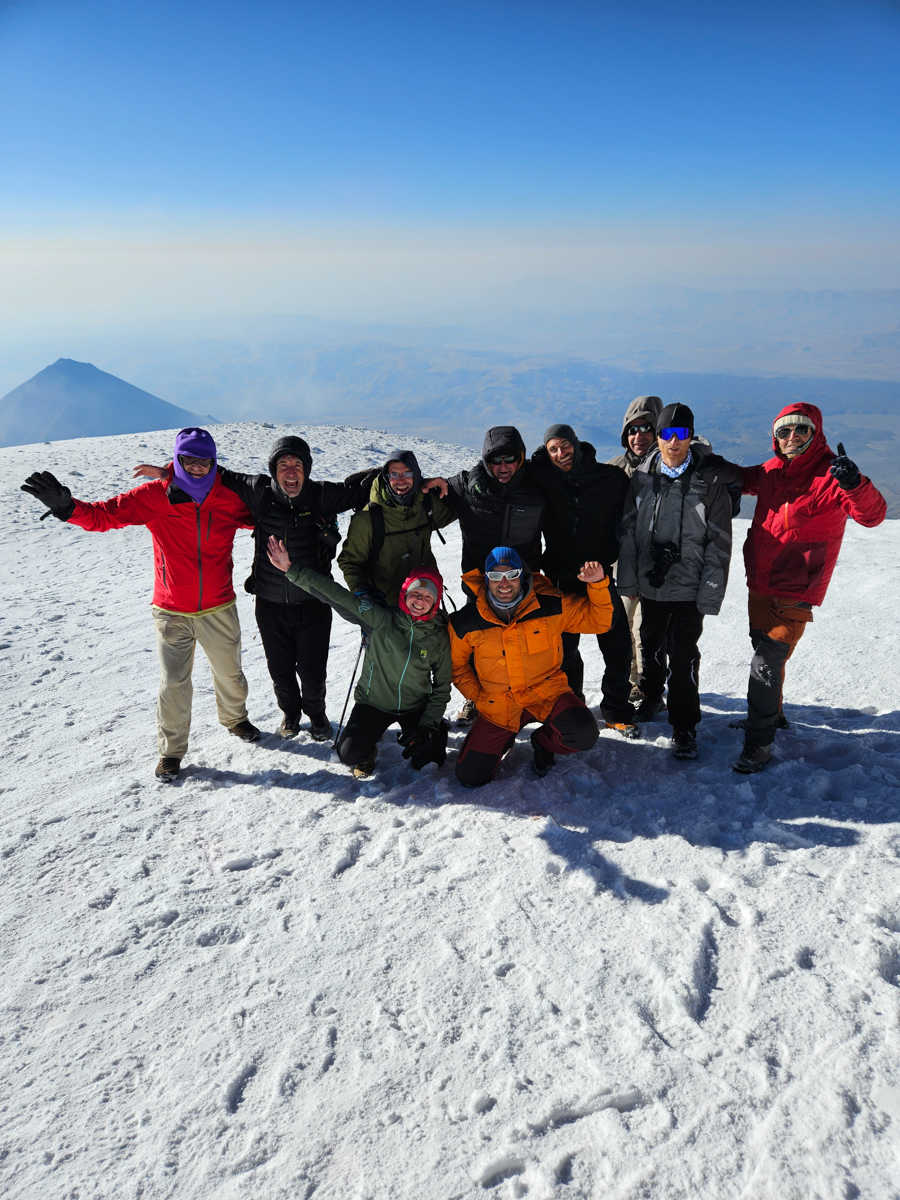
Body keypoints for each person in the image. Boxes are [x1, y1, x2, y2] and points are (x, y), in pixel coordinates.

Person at [22, 428, 259, 782]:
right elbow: (105, 516)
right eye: (188, 460)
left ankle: (235, 719)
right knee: (174, 684)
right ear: (177, 459)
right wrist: (68, 508)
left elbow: (268, 512)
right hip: (171, 609)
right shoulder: (153, 496)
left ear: (214, 462)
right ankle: (171, 752)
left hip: (218, 605)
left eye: (204, 461)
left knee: (229, 674)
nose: (196, 467)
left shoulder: (230, 497)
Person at [133, 435, 372, 742]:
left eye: (297, 464)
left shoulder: (323, 495)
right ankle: (290, 715)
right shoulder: (259, 491)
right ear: (273, 469)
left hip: (313, 601)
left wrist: (408, 474)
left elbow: (363, 489)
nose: (290, 471)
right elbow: (211, 472)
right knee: (280, 670)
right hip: (270, 603)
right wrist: (171, 472)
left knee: (313, 672)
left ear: (306, 468)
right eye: (283, 464)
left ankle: (317, 715)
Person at [728, 403, 887, 773]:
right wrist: (704, 458)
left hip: (799, 583)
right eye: (784, 432)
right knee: (764, 649)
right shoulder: (772, 471)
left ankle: (759, 742)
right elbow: (741, 477)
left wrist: (854, 483)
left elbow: (872, 515)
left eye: (801, 430)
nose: (792, 437)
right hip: (762, 580)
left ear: (816, 433)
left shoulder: (830, 475)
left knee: (766, 661)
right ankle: (774, 714)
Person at [267, 537, 451, 779]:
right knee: (350, 754)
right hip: (373, 704)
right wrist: (292, 570)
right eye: (416, 593)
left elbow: (442, 687)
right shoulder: (381, 619)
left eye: (428, 597)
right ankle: (368, 749)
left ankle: (436, 731)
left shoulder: (438, 637)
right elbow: (337, 595)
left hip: (415, 706)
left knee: (430, 758)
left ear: (435, 603)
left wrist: (427, 726)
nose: (420, 601)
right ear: (405, 593)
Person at [616, 404, 733, 760]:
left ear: (690, 436)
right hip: (652, 586)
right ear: (660, 436)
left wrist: (710, 594)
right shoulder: (643, 477)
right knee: (649, 647)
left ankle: (684, 727)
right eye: (668, 434)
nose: (674, 442)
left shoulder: (708, 481)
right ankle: (651, 699)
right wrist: (629, 581)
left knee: (682, 658)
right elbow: (629, 534)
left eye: (681, 435)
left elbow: (719, 542)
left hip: (689, 589)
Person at [449, 546, 613, 786]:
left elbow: (600, 620)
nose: (503, 583)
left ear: (523, 575)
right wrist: (479, 697)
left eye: (511, 574)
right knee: (470, 777)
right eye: (495, 576)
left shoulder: (550, 606)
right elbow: (457, 667)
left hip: (547, 693)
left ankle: (543, 741)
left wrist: (598, 585)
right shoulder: (466, 621)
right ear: (486, 580)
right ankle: (504, 736)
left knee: (583, 734)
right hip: (500, 705)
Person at [530, 423, 636, 736]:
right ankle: (572, 707)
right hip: (562, 577)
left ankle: (616, 709)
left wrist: (614, 551)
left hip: (600, 577)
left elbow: (631, 514)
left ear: (577, 444)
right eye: (553, 449)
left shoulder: (609, 478)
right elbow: (517, 467)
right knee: (564, 650)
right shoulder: (545, 478)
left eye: (565, 446)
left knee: (616, 644)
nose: (560, 454)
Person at [436, 426, 546, 722]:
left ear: (521, 458)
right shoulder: (466, 486)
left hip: (524, 582)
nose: (503, 467)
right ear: (485, 461)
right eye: (495, 461)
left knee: (525, 642)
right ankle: (478, 698)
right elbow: (427, 494)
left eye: (510, 459)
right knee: (479, 646)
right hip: (479, 583)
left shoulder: (537, 484)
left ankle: (532, 698)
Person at [338, 450, 456, 606]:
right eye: (394, 474)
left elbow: (460, 503)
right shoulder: (368, 519)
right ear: (387, 477)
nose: (401, 480)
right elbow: (350, 561)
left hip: (424, 608)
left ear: (416, 476)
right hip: (383, 612)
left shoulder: (426, 504)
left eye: (407, 474)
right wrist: (362, 592)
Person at [607, 396, 664, 700]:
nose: (639, 435)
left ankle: (648, 683)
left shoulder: (674, 466)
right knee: (623, 625)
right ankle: (631, 683)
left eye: (647, 428)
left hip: (659, 565)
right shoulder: (614, 470)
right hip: (622, 563)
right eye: (632, 429)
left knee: (649, 629)